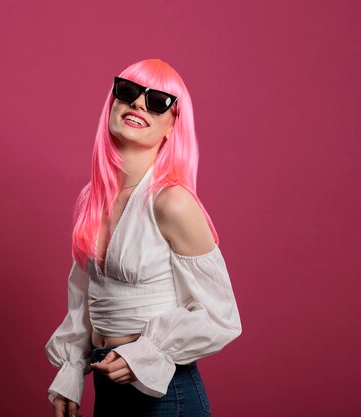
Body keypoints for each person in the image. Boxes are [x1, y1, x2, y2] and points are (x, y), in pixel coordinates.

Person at [44, 58, 242, 417]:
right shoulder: (92, 198)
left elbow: (220, 316)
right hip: (108, 391)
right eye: (129, 91)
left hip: (165, 396)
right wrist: (72, 372)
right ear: (113, 101)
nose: (138, 104)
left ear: (172, 126)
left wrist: (143, 354)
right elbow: (85, 298)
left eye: (157, 101)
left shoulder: (172, 203)